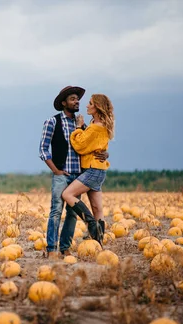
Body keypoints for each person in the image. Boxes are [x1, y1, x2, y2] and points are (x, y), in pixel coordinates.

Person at [39, 86, 107, 258]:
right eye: (72, 99)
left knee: (71, 214)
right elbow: (43, 149)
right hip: (62, 174)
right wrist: (55, 170)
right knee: (56, 211)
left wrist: (105, 153)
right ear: (64, 103)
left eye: (78, 99)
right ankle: (51, 249)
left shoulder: (83, 125)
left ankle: (65, 247)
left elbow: (93, 145)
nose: (77, 102)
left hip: (79, 174)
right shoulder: (53, 122)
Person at [61, 94, 115, 245]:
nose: (86, 106)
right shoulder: (99, 125)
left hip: (92, 170)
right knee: (97, 208)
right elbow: (98, 146)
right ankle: (98, 242)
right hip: (98, 169)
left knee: (67, 194)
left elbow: (80, 146)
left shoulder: (96, 128)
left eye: (90, 103)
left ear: (97, 107)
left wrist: (78, 128)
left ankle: (91, 223)